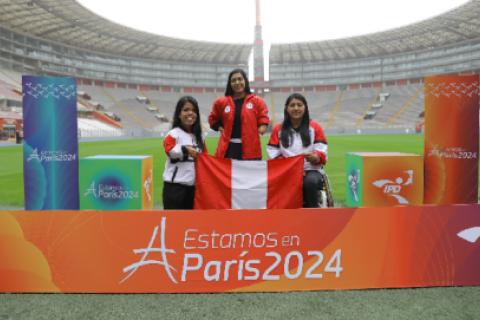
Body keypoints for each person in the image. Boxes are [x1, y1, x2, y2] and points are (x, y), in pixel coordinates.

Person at [267, 93, 328, 208]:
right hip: (287, 172)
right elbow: (273, 153)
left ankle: (312, 214)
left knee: (310, 183)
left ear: (305, 107)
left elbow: (322, 151)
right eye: (292, 105)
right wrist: (291, 167)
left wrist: (315, 157)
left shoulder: (315, 127)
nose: (296, 108)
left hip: (310, 170)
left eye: (299, 105)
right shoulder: (278, 129)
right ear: (287, 108)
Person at [208, 69, 269, 160]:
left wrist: (262, 126)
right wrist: (218, 127)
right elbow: (212, 118)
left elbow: (263, 116)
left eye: (240, 79)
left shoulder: (257, 101)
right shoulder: (221, 102)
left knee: (249, 174)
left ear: (245, 81)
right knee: (227, 174)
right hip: (228, 149)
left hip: (251, 150)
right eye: (233, 80)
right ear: (230, 83)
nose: (237, 82)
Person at [162, 96, 206, 210]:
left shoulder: (200, 137)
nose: (190, 113)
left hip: (193, 189)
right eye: (186, 110)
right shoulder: (173, 134)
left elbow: (205, 159)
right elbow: (169, 151)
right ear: (179, 114)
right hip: (175, 189)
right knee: (173, 224)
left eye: (193, 110)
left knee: (190, 224)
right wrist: (185, 150)